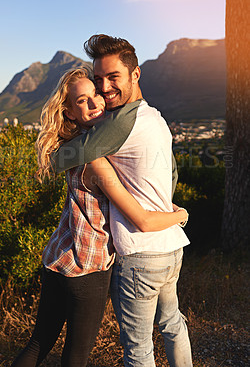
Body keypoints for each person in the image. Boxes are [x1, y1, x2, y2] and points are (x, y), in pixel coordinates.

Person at [11, 68, 189, 367]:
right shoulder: (96, 161)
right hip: (87, 267)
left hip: (58, 256)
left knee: (38, 343)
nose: (96, 103)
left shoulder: (75, 148)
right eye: (83, 100)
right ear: (68, 112)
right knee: (77, 357)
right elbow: (143, 221)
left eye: (96, 95)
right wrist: (180, 214)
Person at [51, 35, 193, 366]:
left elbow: (65, 158)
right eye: (99, 80)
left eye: (113, 77)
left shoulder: (121, 122)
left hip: (141, 252)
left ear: (135, 75)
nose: (104, 88)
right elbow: (172, 176)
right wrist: (174, 213)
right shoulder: (155, 117)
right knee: (173, 324)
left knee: (138, 346)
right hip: (171, 248)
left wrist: (57, 141)